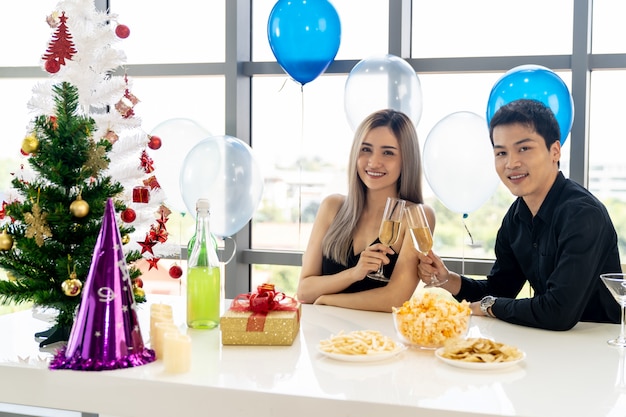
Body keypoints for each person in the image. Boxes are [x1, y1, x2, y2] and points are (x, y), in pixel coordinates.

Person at [417, 98, 621, 331]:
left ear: (554, 151)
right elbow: (499, 290)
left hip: (599, 348)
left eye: (524, 148)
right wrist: (447, 279)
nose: (511, 163)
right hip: (548, 343)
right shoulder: (516, 217)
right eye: (501, 153)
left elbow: (559, 312)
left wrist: (489, 307)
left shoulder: (583, 215)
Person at [297, 109, 433, 312]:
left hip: (378, 341)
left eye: (388, 152)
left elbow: (395, 299)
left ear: (407, 159)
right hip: (323, 338)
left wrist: (329, 299)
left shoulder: (416, 215)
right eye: (366, 149)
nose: (373, 162)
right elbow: (304, 290)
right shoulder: (332, 207)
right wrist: (354, 273)